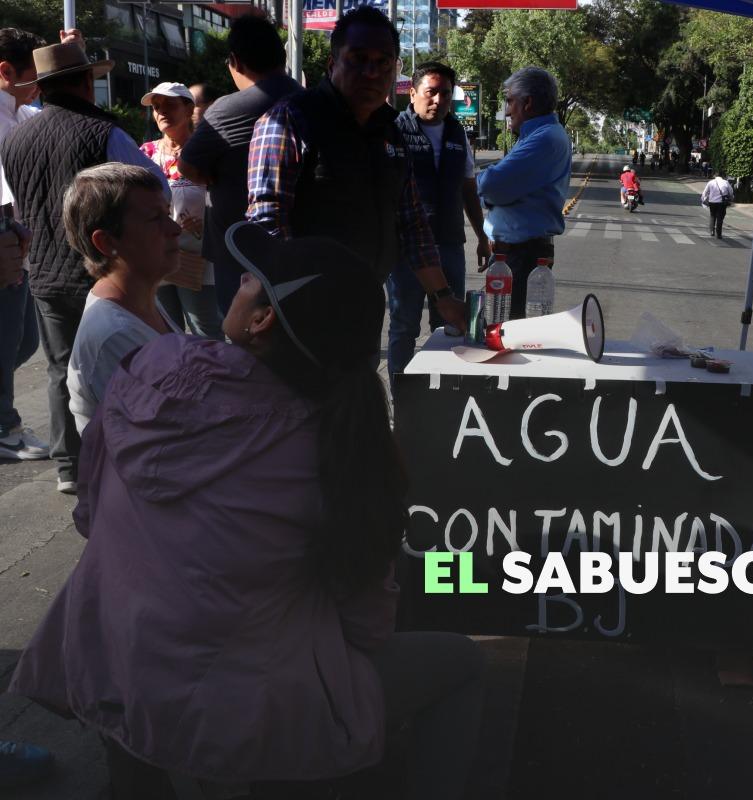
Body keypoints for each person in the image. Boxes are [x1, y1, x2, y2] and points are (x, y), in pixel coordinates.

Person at [8, 220, 483, 798]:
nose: (234, 285)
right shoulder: (342, 453)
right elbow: (368, 624)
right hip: (243, 707)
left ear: (261, 321)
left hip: (109, 664)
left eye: (250, 282)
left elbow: (90, 509)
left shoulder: (150, 371)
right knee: (461, 664)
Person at [1, 40, 168, 494]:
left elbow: (17, 202)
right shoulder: (104, 133)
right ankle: (120, 458)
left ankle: (68, 466)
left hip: (46, 271)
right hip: (102, 268)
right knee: (120, 365)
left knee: (62, 368)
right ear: (83, 82)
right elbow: (155, 190)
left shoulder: (15, 139)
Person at [246, 6, 466, 333]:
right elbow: (266, 221)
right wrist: (292, 297)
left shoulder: (392, 129)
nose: (371, 72)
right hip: (298, 309)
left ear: (395, 69)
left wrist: (443, 297)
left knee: (358, 382)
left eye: (383, 62)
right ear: (333, 63)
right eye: (358, 59)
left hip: (364, 299)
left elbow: (412, 221)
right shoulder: (291, 119)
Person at [179, 14, 301, 314]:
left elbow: (187, 166)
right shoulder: (308, 100)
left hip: (239, 253)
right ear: (281, 54)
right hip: (301, 248)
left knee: (245, 342)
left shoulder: (227, 109)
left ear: (235, 61)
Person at [61, 163, 182, 431]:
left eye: (168, 214)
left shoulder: (139, 300)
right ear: (106, 242)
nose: (175, 228)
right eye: (155, 219)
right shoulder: (115, 335)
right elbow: (168, 441)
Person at [389, 60, 489, 375]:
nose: (439, 101)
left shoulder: (458, 134)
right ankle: (400, 396)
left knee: (450, 324)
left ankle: (440, 397)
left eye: (446, 94)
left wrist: (482, 237)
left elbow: (469, 189)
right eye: (431, 93)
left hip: (448, 243)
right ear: (413, 94)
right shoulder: (395, 131)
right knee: (405, 324)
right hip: (405, 248)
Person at [475, 66, 571, 320]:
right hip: (515, 253)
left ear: (527, 103)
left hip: (523, 256)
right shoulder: (538, 135)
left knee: (508, 332)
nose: (506, 110)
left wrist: (484, 189)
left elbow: (493, 185)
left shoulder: (544, 138)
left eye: (509, 101)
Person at [0, 26, 50, 461]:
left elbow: (57, 118)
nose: (39, 82)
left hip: (19, 245)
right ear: (5, 71)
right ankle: (5, 426)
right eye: (34, 73)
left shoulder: (24, 113)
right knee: (9, 339)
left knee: (23, 342)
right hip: (5, 244)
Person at [140, 82, 223, 338]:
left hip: (197, 258)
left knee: (205, 330)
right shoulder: (145, 153)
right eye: (156, 107)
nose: (162, 111)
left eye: (170, 105)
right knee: (166, 331)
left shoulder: (207, 152)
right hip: (157, 256)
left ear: (189, 110)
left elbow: (224, 198)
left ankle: (214, 377)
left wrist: (207, 222)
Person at [700, 171, 733, 239]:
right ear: (722, 176)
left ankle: (712, 231)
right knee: (720, 218)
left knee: (712, 216)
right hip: (722, 203)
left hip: (712, 202)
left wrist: (703, 200)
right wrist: (731, 198)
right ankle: (719, 234)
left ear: (715, 175)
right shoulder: (726, 182)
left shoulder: (711, 182)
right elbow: (731, 192)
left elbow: (705, 192)